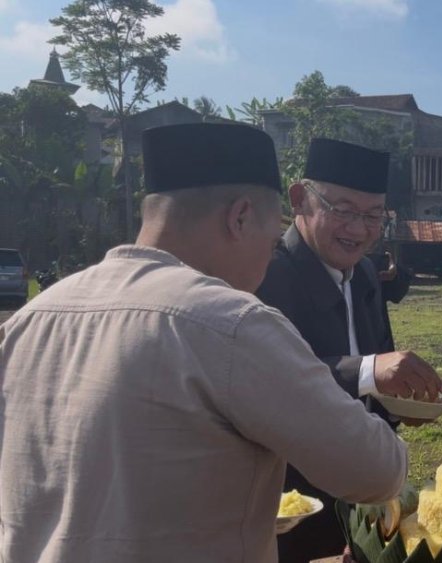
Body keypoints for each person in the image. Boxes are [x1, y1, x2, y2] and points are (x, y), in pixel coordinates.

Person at [0, 123, 407, 562]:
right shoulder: (232, 323)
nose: (270, 259)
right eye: (273, 241)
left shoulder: (29, 321)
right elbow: (377, 469)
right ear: (240, 218)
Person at [255, 138, 442, 562]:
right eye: (342, 210)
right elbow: (268, 380)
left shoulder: (365, 277)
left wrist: (402, 404)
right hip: (298, 503)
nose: (359, 230)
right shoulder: (267, 274)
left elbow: (380, 364)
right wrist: (369, 371)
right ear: (300, 198)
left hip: (369, 496)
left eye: (374, 215)